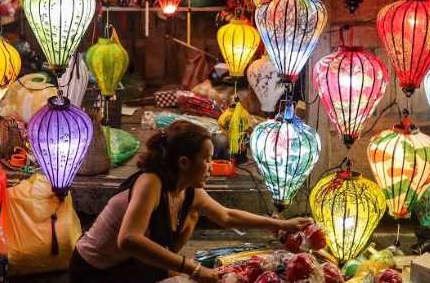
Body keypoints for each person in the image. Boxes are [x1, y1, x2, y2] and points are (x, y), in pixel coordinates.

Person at [68, 120, 313, 283]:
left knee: (193, 215)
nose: (210, 168)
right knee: (184, 274)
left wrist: (285, 225)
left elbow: (226, 216)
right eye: (206, 160)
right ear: (184, 163)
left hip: (127, 264)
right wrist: (192, 269)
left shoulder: (188, 191)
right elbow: (128, 239)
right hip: (93, 272)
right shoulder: (151, 182)